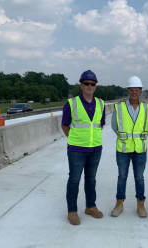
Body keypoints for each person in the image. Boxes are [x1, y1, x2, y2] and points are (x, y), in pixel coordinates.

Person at [61, 70, 105, 225]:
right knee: (74, 180)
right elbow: (64, 125)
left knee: (91, 179)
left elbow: (100, 125)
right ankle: (72, 211)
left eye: (92, 84)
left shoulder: (100, 103)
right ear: (81, 85)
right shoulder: (71, 103)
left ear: (95, 86)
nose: (89, 86)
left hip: (95, 149)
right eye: (86, 83)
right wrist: (75, 139)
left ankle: (90, 206)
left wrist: (91, 139)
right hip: (76, 150)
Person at [111, 76, 148, 218]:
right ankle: (119, 204)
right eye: (131, 89)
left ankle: (141, 204)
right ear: (127, 91)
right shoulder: (119, 107)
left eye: (137, 90)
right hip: (123, 149)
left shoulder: (146, 108)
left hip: (140, 149)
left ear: (141, 92)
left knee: (139, 178)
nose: (134, 92)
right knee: (122, 177)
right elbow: (114, 126)